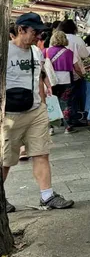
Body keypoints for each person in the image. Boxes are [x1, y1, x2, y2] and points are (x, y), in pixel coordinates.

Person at [2, 13, 74, 212]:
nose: (39, 36)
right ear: (21, 30)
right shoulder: (5, 51)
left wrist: (43, 105)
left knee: (41, 152)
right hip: (10, 114)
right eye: (35, 32)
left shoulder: (36, 52)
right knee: (5, 159)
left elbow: (39, 78)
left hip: (35, 111)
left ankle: (47, 195)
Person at [45, 31, 86, 134]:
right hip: (66, 80)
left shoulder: (46, 51)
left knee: (51, 103)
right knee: (67, 104)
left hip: (50, 81)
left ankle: (51, 128)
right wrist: (82, 76)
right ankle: (68, 127)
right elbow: (77, 68)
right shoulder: (69, 52)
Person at [58, 19, 88, 127]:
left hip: (57, 75)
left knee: (62, 98)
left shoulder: (56, 40)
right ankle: (72, 120)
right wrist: (82, 75)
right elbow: (85, 55)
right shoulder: (77, 40)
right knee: (72, 98)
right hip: (73, 74)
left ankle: (63, 119)